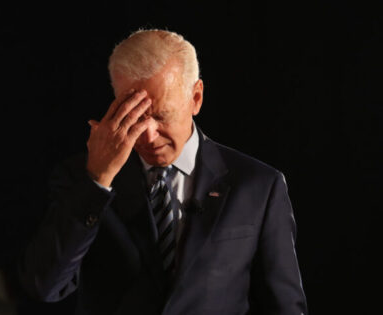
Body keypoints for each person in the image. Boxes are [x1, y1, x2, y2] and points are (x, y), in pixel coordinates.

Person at [18, 29, 308, 315]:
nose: (148, 136)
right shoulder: (79, 178)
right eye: (134, 116)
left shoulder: (258, 186)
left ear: (196, 98)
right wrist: (97, 181)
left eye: (161, 116)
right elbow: (44, 286)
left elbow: (284, 306)